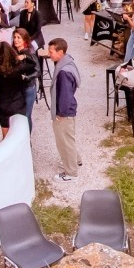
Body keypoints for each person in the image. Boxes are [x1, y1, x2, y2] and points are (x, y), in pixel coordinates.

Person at [0, 39, 37, 139]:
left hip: (2, 105)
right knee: (18, 134)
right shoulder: (17, 67)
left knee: (6, 135)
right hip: (17, 103)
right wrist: (24, 56)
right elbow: (33, 65)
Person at [49, 38, 81, 181]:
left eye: (51, 52)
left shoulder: (63, 72)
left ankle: (71, 173)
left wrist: (60, 114)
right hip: (69, 110)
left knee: (64, 141)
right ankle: (75, 160)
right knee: (69, 139)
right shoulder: (68, 63)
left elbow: (65, 96)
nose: (49, 54)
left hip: (64, 112)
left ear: (60, 52)